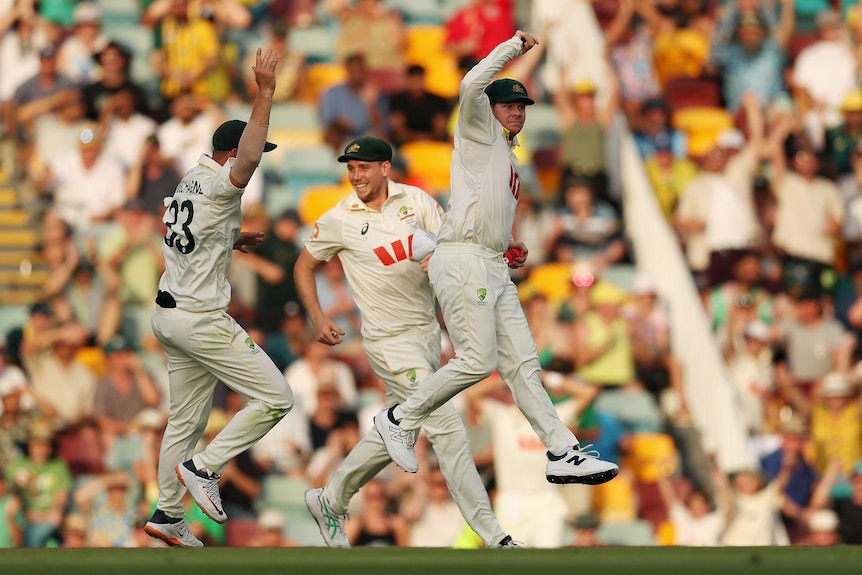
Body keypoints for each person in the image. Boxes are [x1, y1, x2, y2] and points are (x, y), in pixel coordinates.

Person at [371, 32, 618, 486]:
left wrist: (509, 244)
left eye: (522, 107)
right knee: (476, 361)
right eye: (510, 105)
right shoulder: (477, 127)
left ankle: (563, 451)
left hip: (491, 262)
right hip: (463, 258)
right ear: (492, 108)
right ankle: (400, 418)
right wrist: (514, 47)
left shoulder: (505, 150)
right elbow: (469, 86)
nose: (518, 112)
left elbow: (487, 209)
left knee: (524, 364)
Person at [296, 135, 516, 549]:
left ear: (385, 168)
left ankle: (331, 498)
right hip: (387, 341)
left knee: (399, 428)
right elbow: (304, 265)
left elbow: (450, 245)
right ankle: (492, 533)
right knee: (447, 427)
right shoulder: (341, 217)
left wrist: (448, 258)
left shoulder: (416, 201)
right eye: (351, 168)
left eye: (364, 167)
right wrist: (318, 316)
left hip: (425, 336)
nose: (356, 175)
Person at [144, 49, 295, 548]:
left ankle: (167, 514)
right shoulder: (222, 183)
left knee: (184, 422)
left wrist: (233, 239)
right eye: (250, 155)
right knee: (277, 397)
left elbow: (188, 235)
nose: (256, 161)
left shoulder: (189, 181)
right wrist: (266, 91)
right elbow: (248, 157)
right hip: (200, 318)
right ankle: (205, 467)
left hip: (168, 314)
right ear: (230, 153)